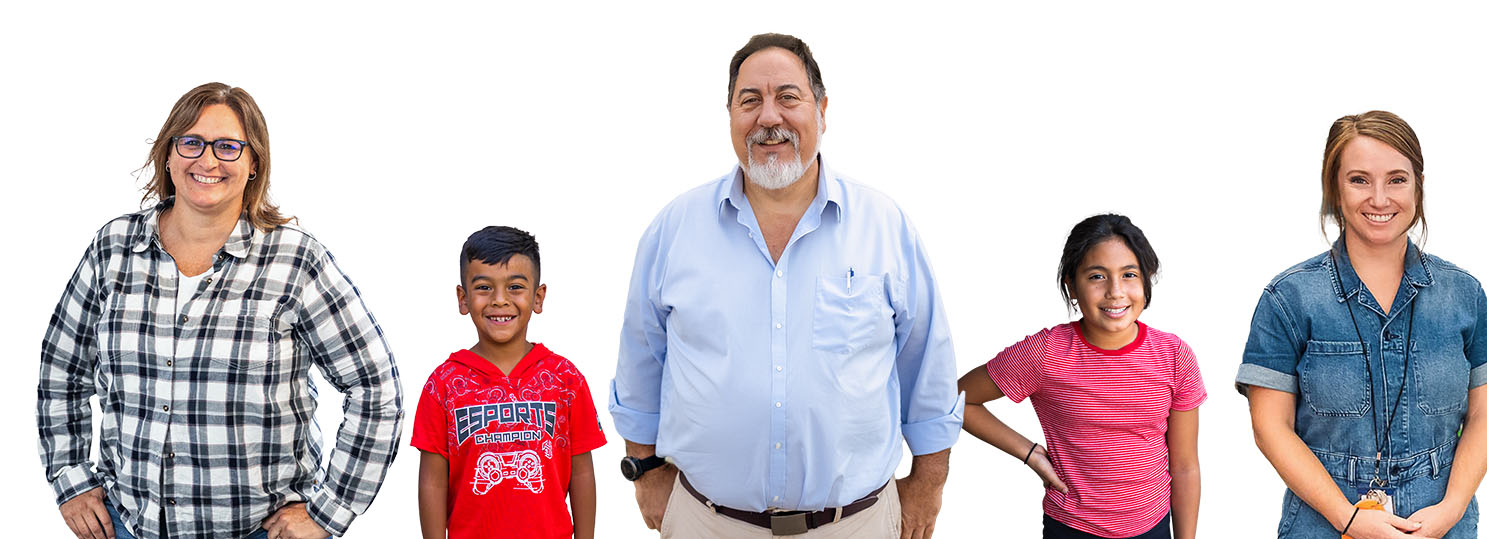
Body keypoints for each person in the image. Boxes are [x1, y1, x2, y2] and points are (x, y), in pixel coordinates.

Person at [608, 33, 961, 539]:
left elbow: (927, 364)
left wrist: (929, 483)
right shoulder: (675, 229)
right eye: (750, 100)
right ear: (729, 115)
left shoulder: (886, 227)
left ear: (821, 110)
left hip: (854, 525)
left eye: (788, 97)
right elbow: (641, 357)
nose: (768, 117)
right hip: (706, 523)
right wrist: (645, 472)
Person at [37, 82, 404, 539]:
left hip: (257, 531)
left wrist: (329, 512)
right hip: (128, 526)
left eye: (228, 147)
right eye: (190, 142)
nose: (207, 161)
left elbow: (375, 387)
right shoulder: (113, 249)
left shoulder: (295, 261)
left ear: (254, 164)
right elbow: (61, 372)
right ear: (168, 156)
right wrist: (71, 478)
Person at [1239, 111, 1487, 539]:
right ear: (1335, 189)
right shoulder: (1287, 298)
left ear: (1418, 187)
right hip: (1323, 525)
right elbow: (1269, 426)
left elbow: (1485, 412)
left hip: (1441, 525)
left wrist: (1451, 508)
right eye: (1360, 180)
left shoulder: (1465, 293)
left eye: (1397, 180)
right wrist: (1347, 518)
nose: (1380, 199)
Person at [958, 214, 1204, 539]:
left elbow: (1185, 466)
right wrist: (1030, 454)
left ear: (1147, 280)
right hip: (1073, 528)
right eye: (1097, 276)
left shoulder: (1174, 356)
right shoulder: (1045, 353)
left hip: (1153, 525)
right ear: (1072, 286)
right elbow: (958, 398)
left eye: (1129, 274)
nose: (1115, 292)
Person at [413, 226, 606, 539]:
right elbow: (432, 481)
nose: (500, 300)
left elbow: (582, 472)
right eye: (484, 288)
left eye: (515, 286)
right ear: (463, 299)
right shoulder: (443, 384)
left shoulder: (566, 379)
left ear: (538, 297)